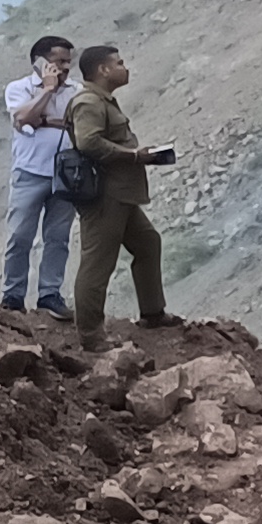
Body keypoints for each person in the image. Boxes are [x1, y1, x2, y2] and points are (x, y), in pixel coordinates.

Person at [61, 43, 173, 350]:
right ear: (103, 70)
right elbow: (88, 143)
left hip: (121, 193)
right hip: (105, 195)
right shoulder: (88, 102)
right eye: (119, 63)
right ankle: (91, 336)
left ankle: (153, 312)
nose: (126, 68)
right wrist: (135, 156)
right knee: (98, 264)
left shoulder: (102, 101)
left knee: (148, 243)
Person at [0, 34, 77, 317]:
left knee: (57, 237)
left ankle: (50, 294)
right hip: (30, 172)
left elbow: (76, 124)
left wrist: (46, 121)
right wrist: (46, 91)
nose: (65, 67)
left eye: (68, 62)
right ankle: (13, 295)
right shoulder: (18, 88)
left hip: (66, 174)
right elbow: (23, 119)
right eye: (59, 61)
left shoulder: (76, 92)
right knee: (20, 236)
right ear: (40, 62)